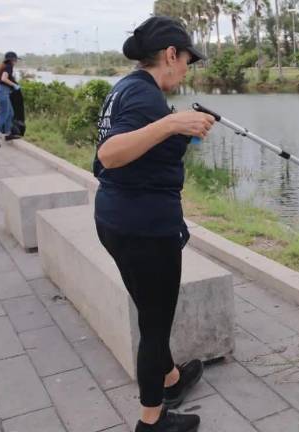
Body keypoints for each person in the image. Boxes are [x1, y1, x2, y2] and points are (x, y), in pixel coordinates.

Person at [93, 16, 214, 432]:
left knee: (150, 308)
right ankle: (152, 419)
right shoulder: (146, 99)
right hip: (144, 229)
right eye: (186, 61)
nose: (187, 69)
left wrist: (177, 130)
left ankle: (172, 380)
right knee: (155, 325)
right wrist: (172, 123)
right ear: (169, 55)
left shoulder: (128, 87)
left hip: (117, 218)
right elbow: (109, 154)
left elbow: (117, 156)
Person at [0, 51, 22, 147]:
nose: (16, 61)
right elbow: (4, 79)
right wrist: (14, 85)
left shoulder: (3, 66)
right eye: (15, 59)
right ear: (12, 59)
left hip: (2, 91)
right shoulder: (8, 66)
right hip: (2, 92)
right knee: (4, 114)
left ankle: (8, 134)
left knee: (10, 113)